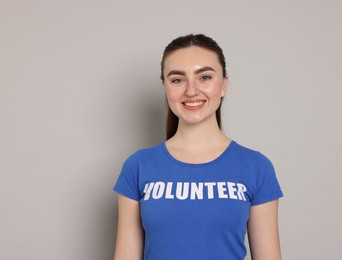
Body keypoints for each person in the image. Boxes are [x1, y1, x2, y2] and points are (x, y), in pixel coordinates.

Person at [113, 34, 284, 260]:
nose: (191, 91)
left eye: (204, 77)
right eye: (177, 80)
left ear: (223, 84)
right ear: (165, 86)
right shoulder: (138, 166)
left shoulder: (256, 167)